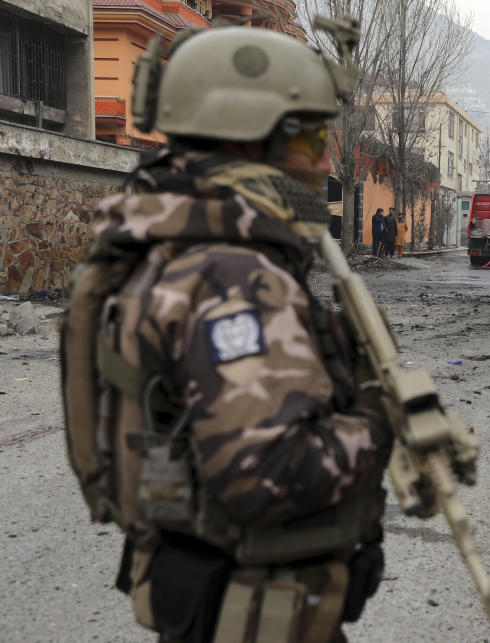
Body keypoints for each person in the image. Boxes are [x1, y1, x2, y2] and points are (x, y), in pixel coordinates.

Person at [65, 25, 393, 642]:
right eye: (312, 136)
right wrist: (382, 417)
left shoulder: (173, 243)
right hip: (253, 619)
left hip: (217, 602)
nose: (326, 162)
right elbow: (265, 472)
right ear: (246, 139)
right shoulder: (232, 273)